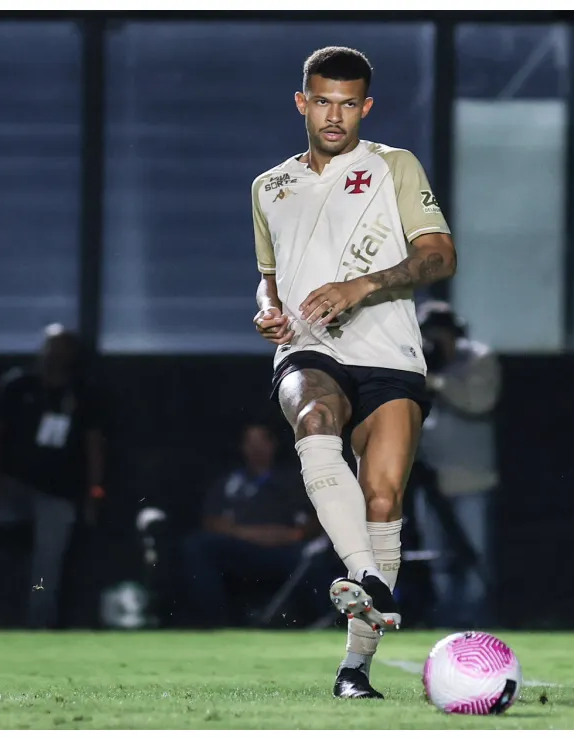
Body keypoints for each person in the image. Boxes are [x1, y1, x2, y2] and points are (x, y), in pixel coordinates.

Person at [249, 47, 456, 699]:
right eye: (322, 102)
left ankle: (354, 670)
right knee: (313, 416)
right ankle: (367, 577)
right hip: (307, 348)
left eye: (347, 104)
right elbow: (268, 279)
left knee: (383, 500)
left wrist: (361, 285)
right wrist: (267, 311)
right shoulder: (268, 187)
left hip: (390, 351)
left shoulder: (394, 166)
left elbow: (440, 256)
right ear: (302, 103)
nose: (334, 116)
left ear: (365, 107)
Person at [0, 324, 106, 629]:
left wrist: (94, 492)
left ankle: (38, 621)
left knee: (47, 561)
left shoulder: (81, 393)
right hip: (14, 485)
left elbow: (94, 446)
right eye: (51, 345)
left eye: (63, 347)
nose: (55, 353)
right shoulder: (18, 385)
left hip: (58, 490)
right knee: (6, 553)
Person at [182, 423, 322, 627]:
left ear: (273, 444)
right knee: (197, 546)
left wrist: (295, 535)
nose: (257, 448)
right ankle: (210, 623)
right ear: (242, 447)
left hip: (286, 550)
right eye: (251, 443)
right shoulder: (229, 482)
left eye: (262, 442)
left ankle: (319, 621)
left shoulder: (295, 481)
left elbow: (316, 519)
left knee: (316, 558)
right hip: (242, 548)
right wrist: (247, 533)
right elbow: (211, 522)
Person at [414, 300, 500, 628]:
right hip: (430, 478)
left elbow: (480, 402)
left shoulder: (478, 359)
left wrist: (437, 381)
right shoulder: (417, 363)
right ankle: (445, 618)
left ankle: (475, 620)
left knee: (474, 555)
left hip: (471, 479)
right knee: (436, 557)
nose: (433, 343)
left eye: (438, 336)